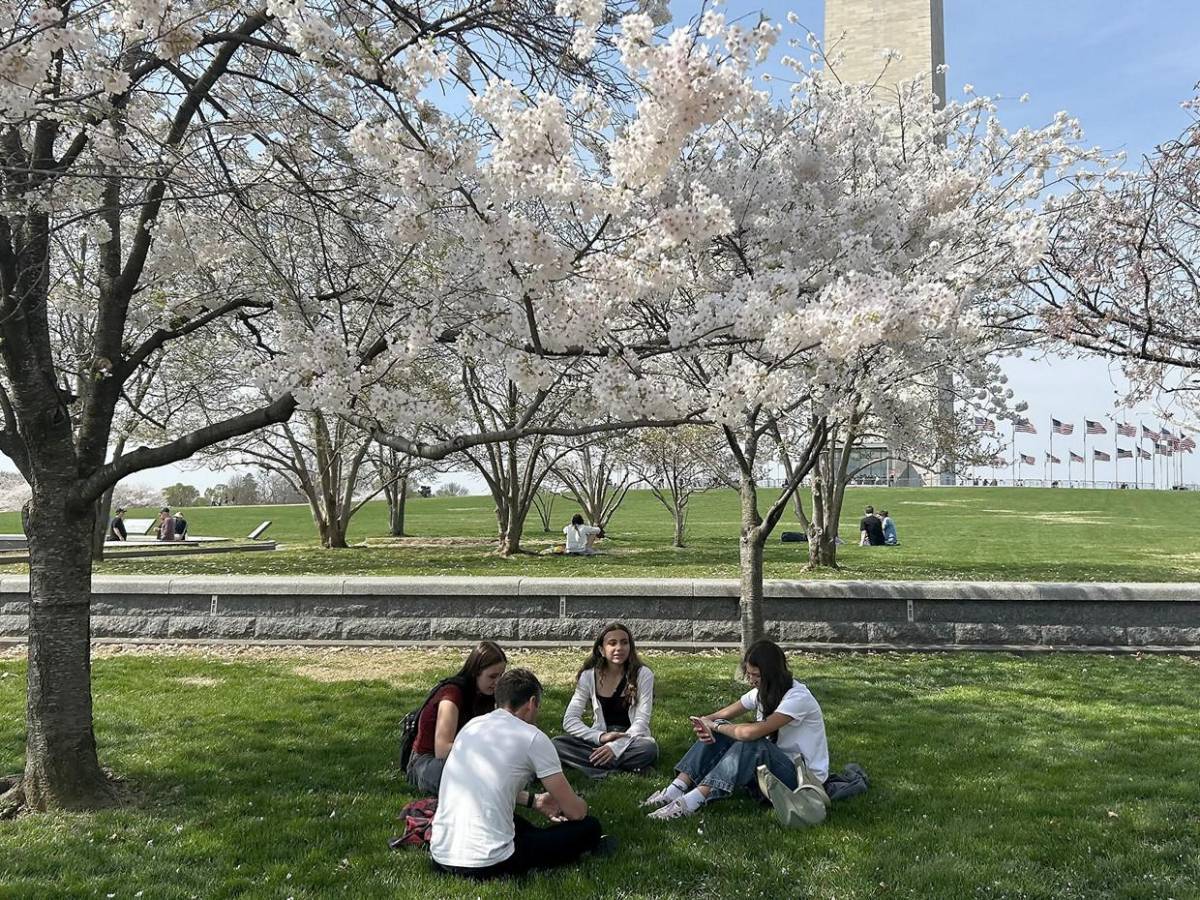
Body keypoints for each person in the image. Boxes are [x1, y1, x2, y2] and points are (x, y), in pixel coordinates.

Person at [431, 668, 604, 880]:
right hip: (490, 864)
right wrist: (581, 806)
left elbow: (485, 786)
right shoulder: (533, 738)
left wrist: (535, 801)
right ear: (531, 703)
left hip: (441, 856)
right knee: (589, 827)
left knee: (514, 822)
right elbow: (576, 812)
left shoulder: (472, 727)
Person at [642, 639, 828, 820]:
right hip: (771, 770)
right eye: (749, 674)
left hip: (802, 781)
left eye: (756, 676)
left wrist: (715, 725)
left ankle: (691, 802)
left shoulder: (798, 698)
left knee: (752, 743)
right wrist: (706, 723)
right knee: (724, 730)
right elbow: (720, 716)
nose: (751, 681)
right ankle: (675, 789)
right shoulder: (762, 691)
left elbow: (750, 734)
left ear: (772, 674)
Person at [553, 623, 658, 778]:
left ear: (630, 647)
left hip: (631, 739)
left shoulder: (643, 675)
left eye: (624, 642)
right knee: (557, 744)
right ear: (602, 650)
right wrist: (601, 737)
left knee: (649, 749)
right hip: (600, 737)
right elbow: (569, 721)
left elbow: (641, 722)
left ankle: (596, 768)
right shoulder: (588, 676)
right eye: (612, 643)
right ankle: (621, 770)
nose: (619, 648)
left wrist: (614, 747)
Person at [408, 641, 508, 795]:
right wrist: (483, 753)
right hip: (426, 762)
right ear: (476, 673)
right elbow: (442, 750)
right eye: (492, 676)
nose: (498, 682)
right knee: (471, 778)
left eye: (501, 675)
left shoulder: (486, 695)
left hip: (462, 758)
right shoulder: (451, 695)